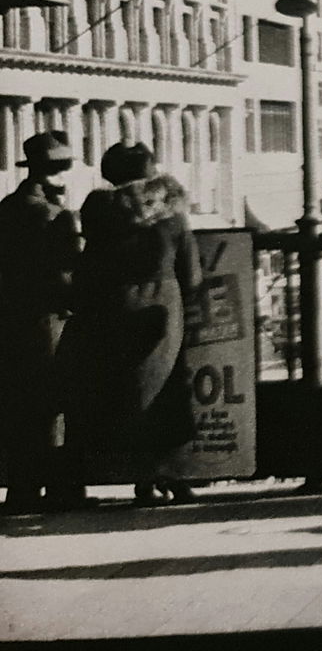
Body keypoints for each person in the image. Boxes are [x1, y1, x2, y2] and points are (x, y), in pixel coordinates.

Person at [66, 143, 201, 505]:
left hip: (112, 307)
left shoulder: (98, 213)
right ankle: (171, 475)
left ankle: (141, 479)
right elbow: (190, 273)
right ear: (151, 171)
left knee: (127, 390)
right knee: (169, 387)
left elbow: (87, 267)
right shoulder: (171, 213)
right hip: (161, 306)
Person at [0, 132, 87, 513]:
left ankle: (21, 489)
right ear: (51, 174)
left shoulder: (5, 208)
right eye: (63, 169)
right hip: (50, 320)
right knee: (55, 404)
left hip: (11, 319)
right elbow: (70, 273)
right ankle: (61, 489)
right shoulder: (57, 217)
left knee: (18, 405)